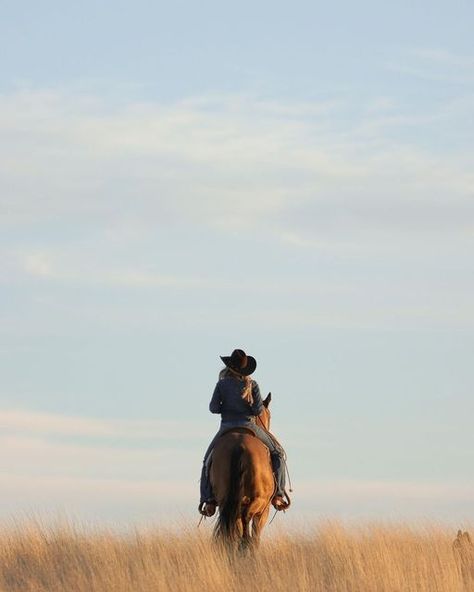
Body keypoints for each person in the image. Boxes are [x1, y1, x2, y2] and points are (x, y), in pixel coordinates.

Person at [199, 348, 290, 517]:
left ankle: (208, 499)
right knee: (278, 453)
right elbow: (257, 411)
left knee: (207, 460)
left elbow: (213, 408)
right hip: (250, 427)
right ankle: (278, 494)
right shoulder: (252, 385)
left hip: (226, 428)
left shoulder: (221, 385)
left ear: (230, 367)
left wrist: (225, 406)